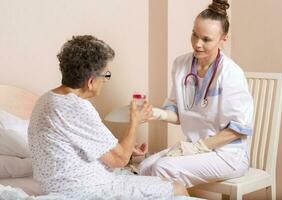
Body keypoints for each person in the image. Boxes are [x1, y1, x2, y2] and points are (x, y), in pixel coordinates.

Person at [28, 35, 188, 199]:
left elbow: (75, 146)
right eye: (106, 75)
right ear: (90, 81)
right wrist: (135, 122)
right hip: (87, 189)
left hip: (60, 186)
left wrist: (127, 149)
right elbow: (119, 160)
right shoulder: (77, 107)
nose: (106, 80)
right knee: (177, 188)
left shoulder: (46, 99)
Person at [139, 0, 253, 190]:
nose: (197, 44)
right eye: (194, 35)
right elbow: (178, 112)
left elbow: (238, 129)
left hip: (227, 155)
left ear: (223, 39)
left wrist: (198, 147)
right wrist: (155, 113)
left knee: (162, 167)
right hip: (196, 149)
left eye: (206, 39)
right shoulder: (181, 64)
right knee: (144, 167)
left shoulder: (231, 74)